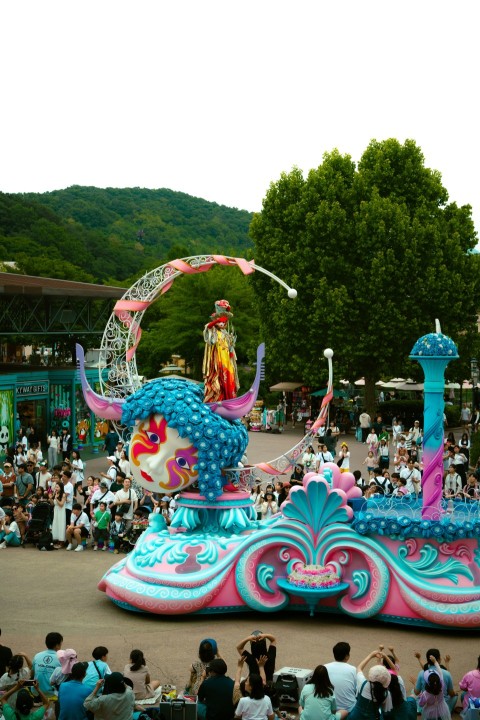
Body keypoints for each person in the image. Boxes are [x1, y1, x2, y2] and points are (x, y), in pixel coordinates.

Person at [203, 299, 239, 403]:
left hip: (227, 361)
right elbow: (208, 329)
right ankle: (217, 399)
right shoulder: (213, 330)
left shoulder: (225, 333)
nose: (223, 323)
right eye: (221, 321)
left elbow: (230, 346)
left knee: (229, 379)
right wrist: (216, 321)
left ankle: (229, 400)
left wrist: (231, 351)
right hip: (217, 361)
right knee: (218, 380)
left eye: (224, 322)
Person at [347, 651, 391, 720]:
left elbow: (359, 668)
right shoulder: (386, 693)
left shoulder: (363, 684)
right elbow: (386, 711)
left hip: (355, 717)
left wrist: (371, 655)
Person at [413, 649, 456, 715]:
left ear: (427, 660)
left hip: (427, 710)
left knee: (414, 693)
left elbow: (416, 692)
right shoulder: (446, 674)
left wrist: (415, 683)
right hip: (443, 709)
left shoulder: (422, 673)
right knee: (455, 696)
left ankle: (418, 710)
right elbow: (451, 693)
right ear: (438, 659)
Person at [325, 642, 357, 712]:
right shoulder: (353, 669)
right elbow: (356, 690)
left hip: (328, 708)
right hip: (348, 709)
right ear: (347, 656)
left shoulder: (325, 667)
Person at [32, 632, 63, 696]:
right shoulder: (61, 658)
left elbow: (32, 673)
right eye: (60, 644)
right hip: (51, 693)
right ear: (57, 645)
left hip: (35, 691)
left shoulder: (37, 655)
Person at [52, 481, 67, 548]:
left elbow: (61, 504)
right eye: (56, 487)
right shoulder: (55, 493)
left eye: (57, 487)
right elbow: (53, 504)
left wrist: (56, 498)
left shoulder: (63, 495)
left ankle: (61, 542)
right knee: (56, 524)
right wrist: (50, 498)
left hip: (61, 511)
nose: (56, 488)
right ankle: (57, 540)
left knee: (61, 525)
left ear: (61, 487)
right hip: (56, 510)